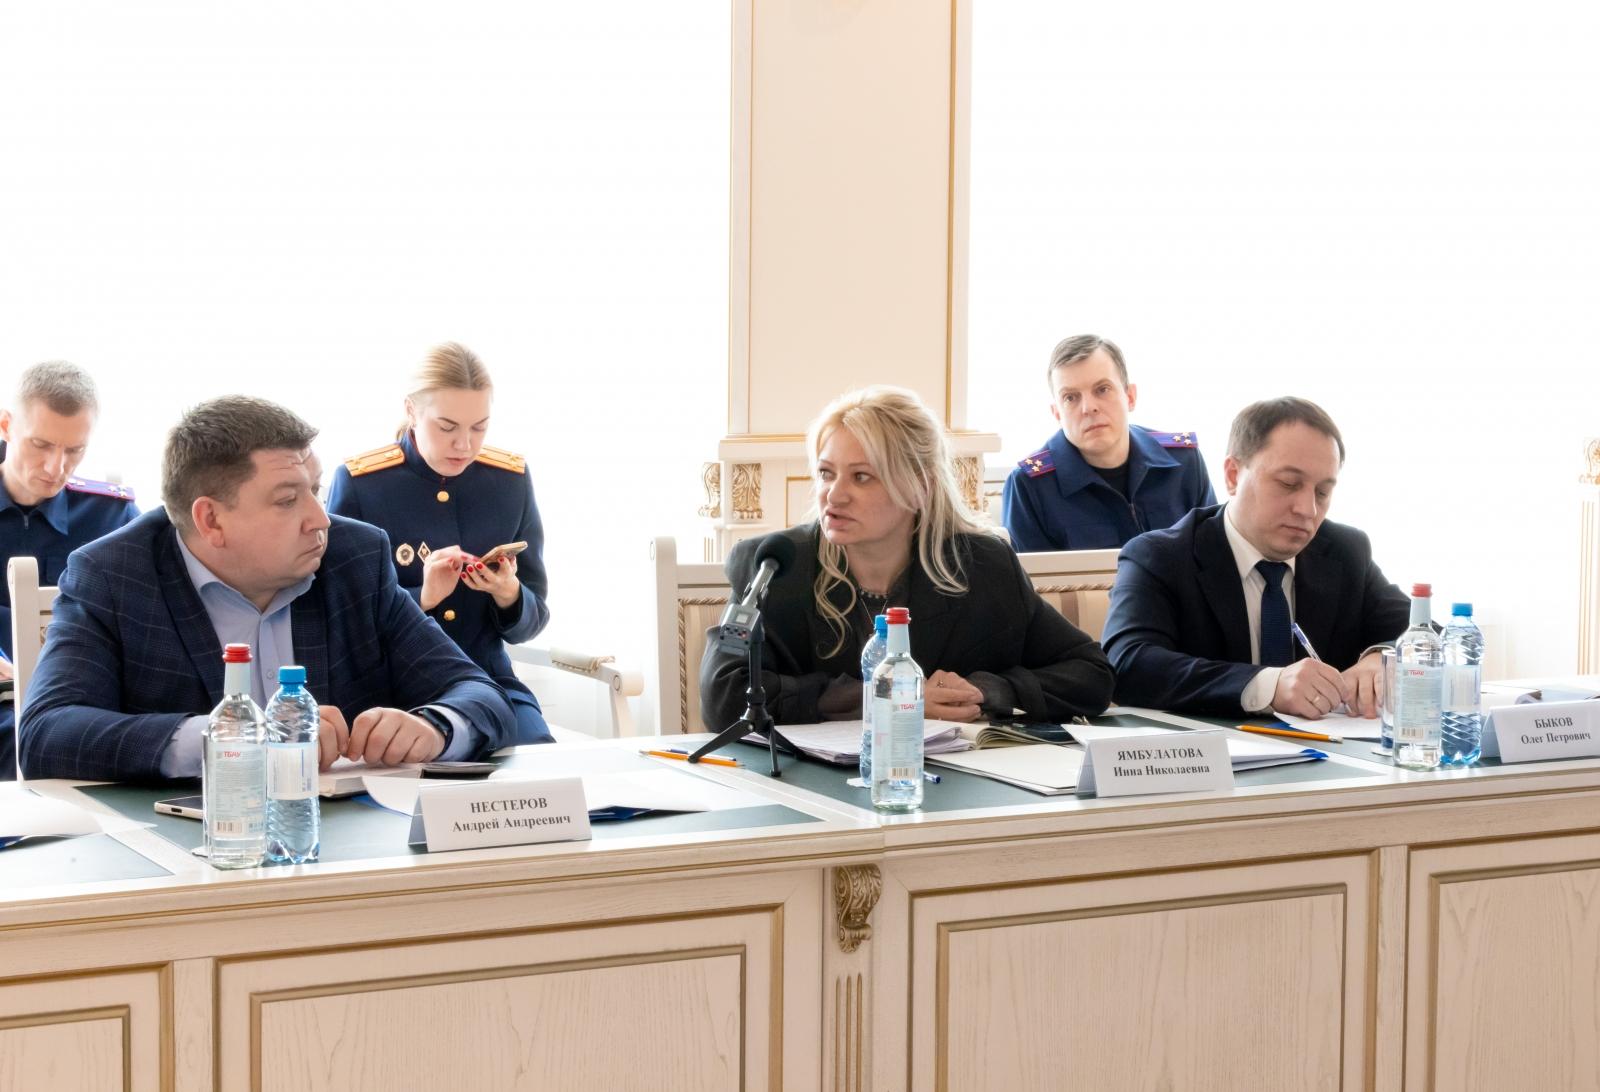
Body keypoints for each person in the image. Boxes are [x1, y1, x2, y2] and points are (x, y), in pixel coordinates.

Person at [18, 396, 517, 782]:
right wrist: (232, 739)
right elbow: (45, 734)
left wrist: (435, 727)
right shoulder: (113, 575)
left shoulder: (355, 559)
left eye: (315, 490)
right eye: (287, 500)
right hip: (188, 852)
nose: (320, 519)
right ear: (211, 520)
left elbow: (482, 695)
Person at [700, 386, 1114, 732]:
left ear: (920, 487)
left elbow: (1091, 673)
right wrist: (884, 698)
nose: (834, 495)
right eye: (826, 473)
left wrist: (986, 691)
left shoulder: (983, 566)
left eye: (862, 476)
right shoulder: (773, 565)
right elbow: (722, 698)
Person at [1100, 396, 1411, 720]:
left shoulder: (1345, 551)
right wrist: (1268, 686)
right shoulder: (1160, 557)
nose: (1308, 509)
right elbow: (1127, 664)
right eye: (1288, 484)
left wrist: (1382, 657)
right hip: (1212, 750)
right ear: (1233, 475)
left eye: (1322, 492)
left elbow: (1423, 632)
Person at [326, 342, 552, 745]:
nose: (464, 444)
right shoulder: (361, 484)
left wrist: (509, 594)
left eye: (479, 427)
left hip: (489, 683)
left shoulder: (509, 481)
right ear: (411, 411)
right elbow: (341, 622)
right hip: (390, 695)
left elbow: (533, 619)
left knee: (542, 765)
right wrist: (422, 597)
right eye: (447, 427)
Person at [0, 362, 138, 780]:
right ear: (6, 426)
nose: (55, 467)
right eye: (40, 444)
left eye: (74, 450)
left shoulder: (112, 516)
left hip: (81, 700)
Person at [1002, 334, 1215, 552]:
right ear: (1057, 413)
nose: (1088, 408)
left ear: (1130, 397)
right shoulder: (1029, 486)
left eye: (1102, 389)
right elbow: (1033, 574)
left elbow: (1213, 556)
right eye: (1070, 397)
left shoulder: (1183, 462)